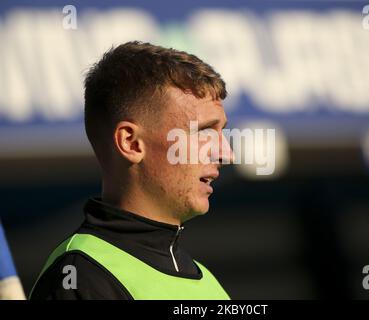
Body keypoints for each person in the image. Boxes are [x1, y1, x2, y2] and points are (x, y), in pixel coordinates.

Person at [30, 41, 234, 300]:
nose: (226, 153)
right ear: (131, 143)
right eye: (204, 131)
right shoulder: (79, 278)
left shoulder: (206, 280)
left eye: (222, 132)